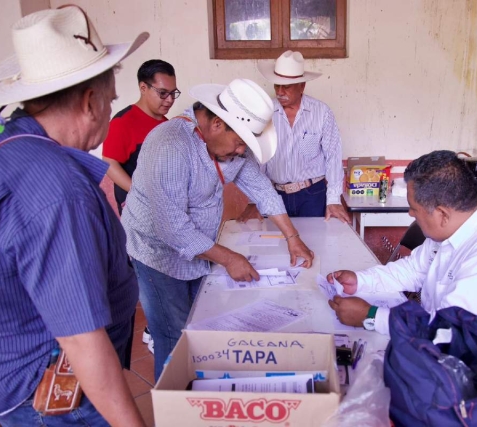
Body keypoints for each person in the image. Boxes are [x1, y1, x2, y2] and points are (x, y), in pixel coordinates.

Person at [0, 6, 149, 426]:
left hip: (4, 371)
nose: (111, 113)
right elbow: (80, 337)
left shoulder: (0, 141)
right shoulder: (57, 188)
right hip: (49, 389)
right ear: (91, 102)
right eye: (111, 101)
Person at [327, 150, 477, 426]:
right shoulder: (455, 227)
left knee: (374, 398)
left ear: (442, 213)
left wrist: (371, 315)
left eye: (414, 208)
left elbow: (448, 334)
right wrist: (360, 281)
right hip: (457, 367)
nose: (411, 214)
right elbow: (412, 270)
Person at [121, 78, 315, 381]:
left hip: (199, 251)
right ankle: (172, 414)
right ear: (215, 124)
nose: (241, 152)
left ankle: (199, 393)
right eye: (240, 144)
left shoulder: (230, 144)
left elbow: (262, 190)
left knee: (200, 328)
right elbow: (171, 228)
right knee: (174, 338)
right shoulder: (170, 144)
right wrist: (228, 258)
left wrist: (293, 238)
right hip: (157, 253)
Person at [237, 50, 349, 223]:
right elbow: (259, 159)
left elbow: (333, 156)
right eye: (276, 85)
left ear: (302, 86)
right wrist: (255, 199)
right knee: (276, 245)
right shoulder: (264, 113)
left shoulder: (321, 113)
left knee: (315, 245)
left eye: (286, 86)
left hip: (312, 195)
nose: (280, 91)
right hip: (274, 195)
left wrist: (333, 200)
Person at [102, 59, 179, 214]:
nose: (170, 100)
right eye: (163, 93)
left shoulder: (167, 125)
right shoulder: (122, 122)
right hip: (136, 210)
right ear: (143, 88)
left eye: (173, 93)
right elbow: (109, 163)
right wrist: (141, 194)